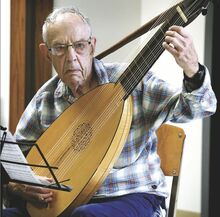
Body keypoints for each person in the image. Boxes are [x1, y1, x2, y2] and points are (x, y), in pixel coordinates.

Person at [2, 6, 217, 217]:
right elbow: (17, 161)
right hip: (59, 203)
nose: (71, 57)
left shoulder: (134, 83)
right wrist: (18, 186)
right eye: (59, 47)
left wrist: (193, 71)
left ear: (92, 46)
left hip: (130, 195)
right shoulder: (45, 99)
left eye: (79, 46)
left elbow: (199, 108)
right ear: (46, 53)